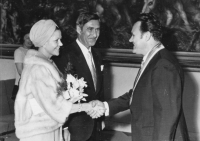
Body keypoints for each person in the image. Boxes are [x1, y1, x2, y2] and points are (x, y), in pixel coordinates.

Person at [90, 13, 189, 141]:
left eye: (133, 35)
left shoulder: (163, 65)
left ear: (147, 36)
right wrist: (105, 107)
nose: (130, 40)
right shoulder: (154, 60)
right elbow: (137, 95)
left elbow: (166, 116)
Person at [14, 19, 105, 141]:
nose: (61, 44)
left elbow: (52, 100)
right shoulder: (38, 69)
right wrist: (87, 107)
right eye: (56, 40)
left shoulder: (48, 65)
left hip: (50, 128)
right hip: (38, 133)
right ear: (44, 42)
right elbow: (55, 106)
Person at [53, 12, 104, 141]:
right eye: (90, 29)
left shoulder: (97, 55)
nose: (94, 34)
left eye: (97, 30)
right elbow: (59, 94)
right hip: (75, 127)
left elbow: (99, 90)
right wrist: (64, 128)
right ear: (78, 29)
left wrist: (101, 119)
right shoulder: (64, 54)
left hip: (95, 124)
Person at [11, 33, 32, 101]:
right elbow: (20, 71)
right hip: (21, 86)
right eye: (27, 38)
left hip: (30, 86)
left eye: (32, 39)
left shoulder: (33, 52)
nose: (30, 40)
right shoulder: (19, 51)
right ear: (23, 38)